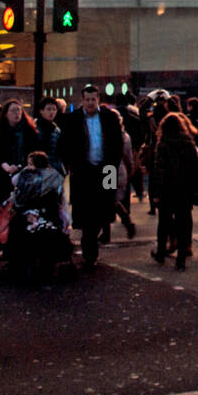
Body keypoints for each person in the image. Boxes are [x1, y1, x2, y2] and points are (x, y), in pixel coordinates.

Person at [61, 85, 126, 270]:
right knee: (87, 211)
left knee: (106, 206)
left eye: (93, 99)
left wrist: (113, 167)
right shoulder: (73, 120)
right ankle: (90, 249)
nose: (90, 103)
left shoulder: (109, 117)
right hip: (84, 171)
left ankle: (93, 238)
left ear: (98, 99)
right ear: (82, 100)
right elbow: (66, 145)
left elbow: (117, 144)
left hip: (107, 170)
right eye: (87, 100)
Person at [7, 151, 71, 282]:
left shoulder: (27, 178)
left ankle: (21, 264)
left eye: (30, 164)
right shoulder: (54, 177)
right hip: (48, 215)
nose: (28, 167)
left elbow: (15, 184)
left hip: (34, 215)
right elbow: (60, 199)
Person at [151, 112, 198, 270]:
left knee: (164, 222)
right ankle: (181, 257)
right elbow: (196, 167)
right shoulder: (188, 142)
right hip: (185, 188)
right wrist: (196, 186)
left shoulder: (163, 143)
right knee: (184, 222)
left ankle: (161, 251)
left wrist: (156, 192)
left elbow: (159, 169)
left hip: (167, 188)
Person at [0, 100, 38, 209]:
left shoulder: (29, 130)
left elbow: (33, 152)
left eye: (19, 110)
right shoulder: (0, 131)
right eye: (13, 111)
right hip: (3, 176)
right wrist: (6, 166)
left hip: (25, 174)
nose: (16, 113)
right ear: (6, 113)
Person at [34, 97, 65, 175]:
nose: (52, 112)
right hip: (37, 167)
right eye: (48, 109)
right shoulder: (34, 127)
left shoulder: (57, 130)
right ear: (41, 110)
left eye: (54, 109)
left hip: (54, 169)